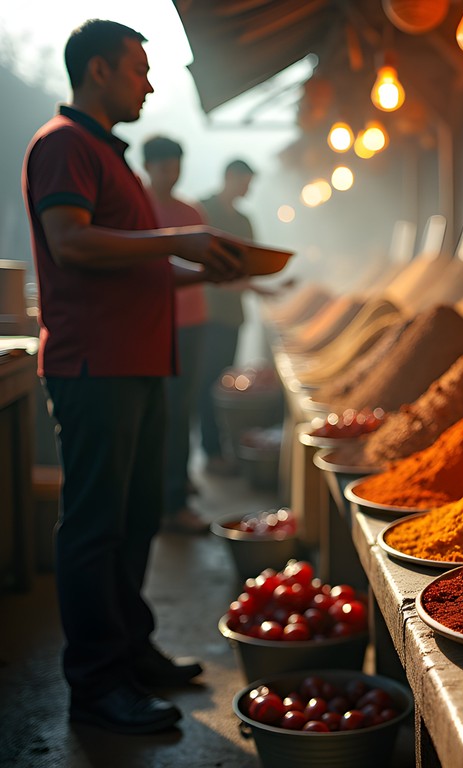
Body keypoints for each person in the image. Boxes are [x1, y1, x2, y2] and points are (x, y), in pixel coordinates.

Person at [23, 19, 247, 734]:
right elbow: (71, 242)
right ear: (97, 72)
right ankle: (96, 687)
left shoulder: (107, 155)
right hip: (96, 365)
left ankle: (131, 648)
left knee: (138, 516)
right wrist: (181, 239)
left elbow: (133, 261)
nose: (149, 84)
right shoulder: (64, 146)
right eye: (137, 70)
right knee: (95, 526)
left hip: (142, 363)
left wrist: (195, 269)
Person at [143, 135, 208, 535]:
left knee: (181, 410)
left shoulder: (189, 210)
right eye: (164, 166)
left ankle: (174, 490)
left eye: (176, 166)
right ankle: (166, 499)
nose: (172, 174)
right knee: (160, 413)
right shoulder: (137, 209)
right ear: (148, 167)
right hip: (152, 324)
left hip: (191, 323)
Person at [196, 159, 258, 475]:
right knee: (204, 383)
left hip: (232, 316)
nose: (249, 189)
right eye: (246, 181)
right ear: (230, 177)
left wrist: (257, 284)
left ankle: (222, 447)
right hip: (206, 314)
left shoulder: (245, 221)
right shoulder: (202, 210)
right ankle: (211, 450)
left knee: (220, 384)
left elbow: (250, 264)